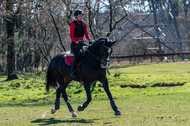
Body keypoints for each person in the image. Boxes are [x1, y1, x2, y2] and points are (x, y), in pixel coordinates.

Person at [70, 9, 91, 78]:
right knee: (78, 54)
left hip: (82, 43)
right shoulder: (73, 24)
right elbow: (71, 36)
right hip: (75, 44)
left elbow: (86, 34)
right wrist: (76, 41)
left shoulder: (84, 24)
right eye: (80, 16)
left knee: (90, 52)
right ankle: (72, 71)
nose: (81, 17)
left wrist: (89, 40)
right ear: (76, 17)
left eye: (82, 15)